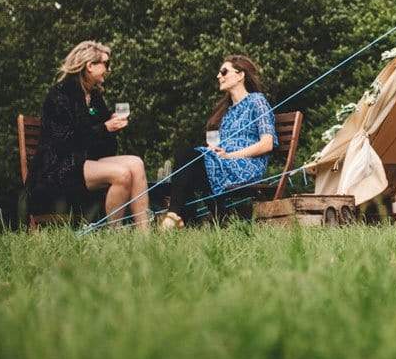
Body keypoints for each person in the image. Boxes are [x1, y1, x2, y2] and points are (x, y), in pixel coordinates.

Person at [26, 41, 150, 230]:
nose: (108, 70)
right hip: (57, 168)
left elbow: (103, 147)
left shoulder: (94, 97)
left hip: (83, 162)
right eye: (105, 64)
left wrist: (110, 128)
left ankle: (145, 235)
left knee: (136, 163)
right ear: (90, 66)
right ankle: (115, 237)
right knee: (122, 174)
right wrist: (104, 128)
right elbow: (65, 141)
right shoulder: (61, 94)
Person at [162, 54, 277, 228]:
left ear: (240, 75)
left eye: (224, 72)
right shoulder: (228, 112)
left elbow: (266, 143)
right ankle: (190, 220)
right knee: (186, 159)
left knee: (187, 157)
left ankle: (176, 217)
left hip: (246, 166)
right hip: (225, 163)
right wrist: (218, 152)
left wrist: (230, 155)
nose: (219, 76)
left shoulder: (257, 101)